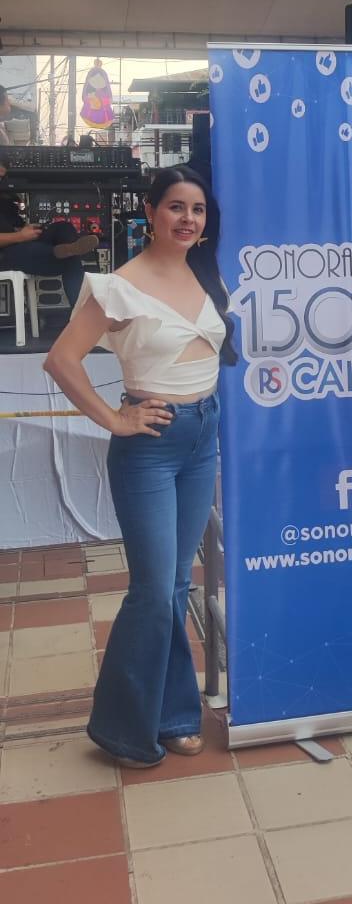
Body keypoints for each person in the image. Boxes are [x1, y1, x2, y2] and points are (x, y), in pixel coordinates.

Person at [43, 166, 237, 768]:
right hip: (149, 445)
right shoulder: (118, 287)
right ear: (150, 212)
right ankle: (123, 729)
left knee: (176, 585)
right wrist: (114, 418)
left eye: (197, 209)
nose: (187, 219)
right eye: (175, 206)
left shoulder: (206, 273)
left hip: (203, 436)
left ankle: (174, 715)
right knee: (153, 590)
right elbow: (61, 360)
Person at [0, 148, 98, 307]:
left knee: (64, 228)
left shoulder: (4, 199)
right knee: (70, 260)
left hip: (15, 241)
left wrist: (23, 231)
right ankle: (66, 251)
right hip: (5, 254)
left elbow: (9, 227)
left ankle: (68, 248)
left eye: (2, 177)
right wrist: (19, 236)